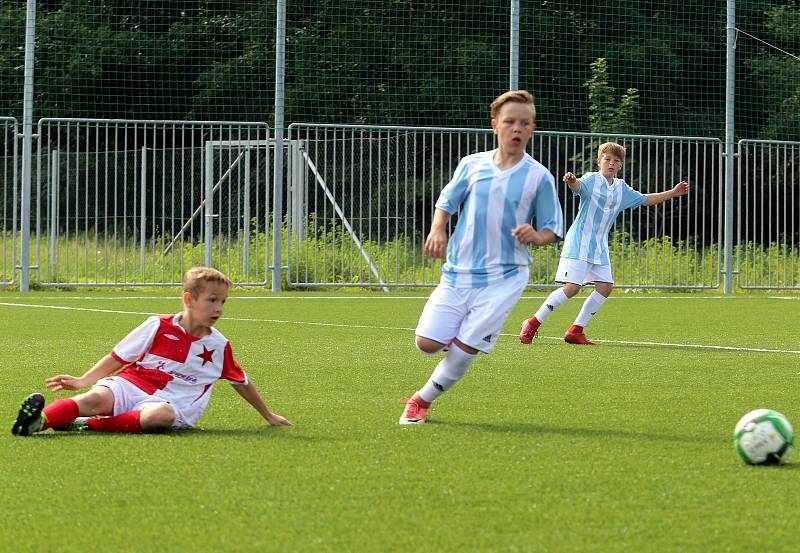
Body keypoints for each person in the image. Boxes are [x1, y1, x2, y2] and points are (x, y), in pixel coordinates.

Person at [399, 90, 563, 425]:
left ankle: (421, 400)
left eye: (524, 123)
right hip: (459, 272)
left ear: (532, 129)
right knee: (426, 343)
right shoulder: (471, 165)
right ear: (495, 125)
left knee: (464, 351)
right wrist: (437, 229)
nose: (517, 128)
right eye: (510, 122)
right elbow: (446, 201)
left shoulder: (539, 177)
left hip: (505, 278)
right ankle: (456, 340)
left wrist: (536, 236)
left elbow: (551, 229)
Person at [11, 266, 291, 436]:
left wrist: (268, 415)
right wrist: (83, 380)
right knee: (95, 397)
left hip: (172, 403)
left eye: (223, 301)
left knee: (160, 417)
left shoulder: (218, 345)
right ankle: (39, 422)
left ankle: (82, 425)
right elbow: (120, 356)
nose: (219, 308)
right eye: (212, 300)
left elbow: (240, 382)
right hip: (133, 383)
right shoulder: (157, 325)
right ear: (189, 299)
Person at [519, 141, 689, 346]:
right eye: (607, 159)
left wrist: (672, 192)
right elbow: (578, 187)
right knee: (572, 288)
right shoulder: (591, 179)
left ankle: (575, 331)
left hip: (599, 247)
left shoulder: (621, 188)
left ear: (620, 166)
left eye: (616, 161)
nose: (611, 163)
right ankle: (532, 322)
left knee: (605, 287)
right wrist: (571, 180)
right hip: (579, 242)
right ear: (599, 161)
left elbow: (645, 199)